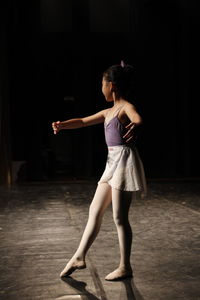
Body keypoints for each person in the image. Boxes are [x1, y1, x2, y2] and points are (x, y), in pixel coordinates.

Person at [52, 61, 147, 281]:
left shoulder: (125, 107)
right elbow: (84, 121)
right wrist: (63, 124)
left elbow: (138, 118)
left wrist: (138, 126)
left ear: (111, 86)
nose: (100, 88)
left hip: (124, 162)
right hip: (112, 162)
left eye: (102, 84)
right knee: (95, 210)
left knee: (119, 217)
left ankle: (125, 266)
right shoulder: (108, 112)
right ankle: (79, 256)